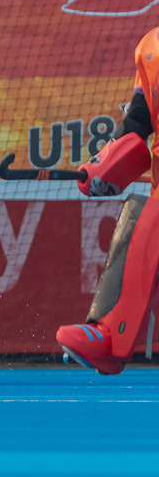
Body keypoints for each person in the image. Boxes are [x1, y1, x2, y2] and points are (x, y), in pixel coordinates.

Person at [55, 26, 158, 375]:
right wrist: (101, 169)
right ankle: (107, 335)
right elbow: (138, 123)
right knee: (139, 220)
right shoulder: (151, 47)